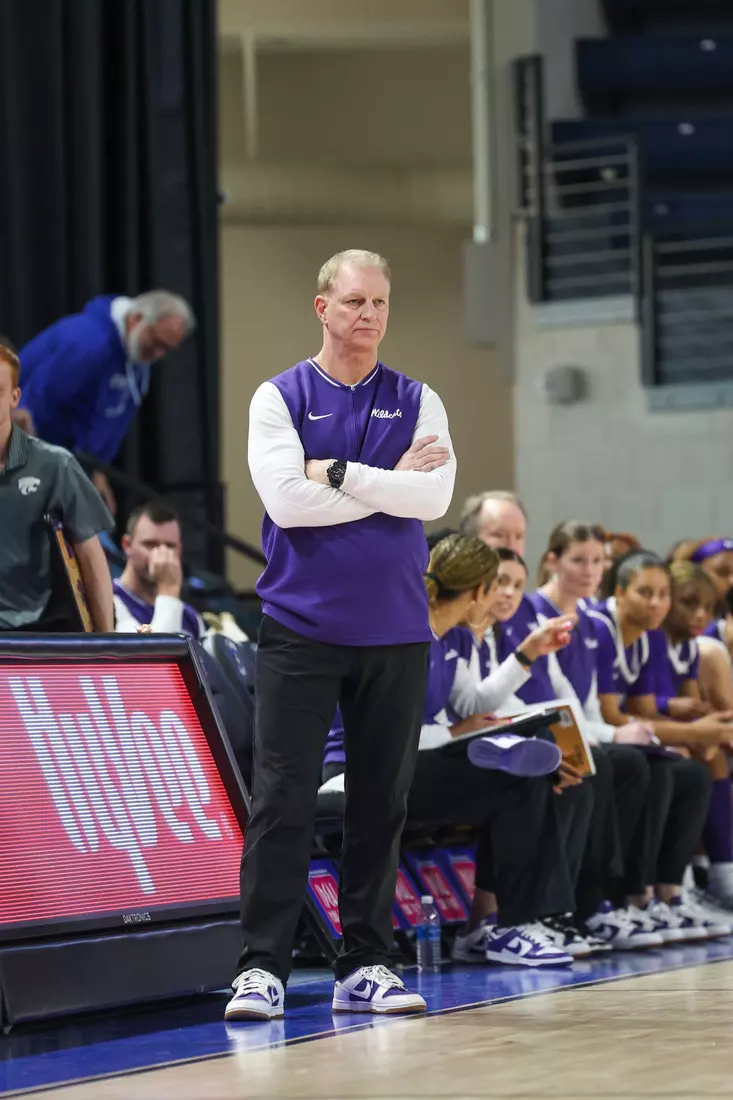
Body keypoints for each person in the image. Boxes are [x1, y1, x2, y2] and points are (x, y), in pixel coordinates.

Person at [226, 249, 456, 1022]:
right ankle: (261, 967)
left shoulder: (419, 399)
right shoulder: (277, 397)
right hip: (299, 627)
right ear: (321, 307)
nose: (369, 316)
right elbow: (286, 506)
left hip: (395, 631)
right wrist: (383, 479)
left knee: (379, 804)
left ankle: (365, 963)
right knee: (282, 799)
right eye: (355, 302)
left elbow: (433, 495)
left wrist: (339, 473)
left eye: (380, 303)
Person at [324, 533, 585, 969]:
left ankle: (493, 926)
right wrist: (454, 734)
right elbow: (383, 735)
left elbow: (471, 707)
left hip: (418, 758)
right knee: (515, 783)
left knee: (534, 773)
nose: (502, 597)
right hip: (359, 768)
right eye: (496, 586)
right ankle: (502, 925)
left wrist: (527, 653)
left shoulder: (457, 636)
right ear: (478, 591)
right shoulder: (398, 631)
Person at [533, 523, 728, 943]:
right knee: (623, 762)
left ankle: (660, 895)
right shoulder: (564, 617)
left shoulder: (599, 626)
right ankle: (603, 901)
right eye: (579, 560)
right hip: (554, 732)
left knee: (680, 769)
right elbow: (596, 710)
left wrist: (675, 731)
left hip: (586, 728)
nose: (590, 571)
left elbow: (600, 706)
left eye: (597, 561)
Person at [589, 551, 730, 926]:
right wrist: (696, 732)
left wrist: (698, 729)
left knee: (687, 770)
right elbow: (612, 715)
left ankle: (669, 892)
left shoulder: (649, 637)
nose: (656, 603)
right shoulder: (601, 627)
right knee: (648, 767)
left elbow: (647, 713)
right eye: (645, 592)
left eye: (662, 594)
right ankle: (627, 895)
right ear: (619, 592)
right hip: (593, 731)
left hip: (619, 733)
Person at [18, 290, 195, 514]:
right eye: (156, 341)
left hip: (73, 465)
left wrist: (96, 472)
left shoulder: (137, 360)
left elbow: (110, 421)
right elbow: (29, 409)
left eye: (167, 349)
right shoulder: (88, 343)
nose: (158, 354)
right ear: (136, 319)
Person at [0, 343, 114, 632]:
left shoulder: (55, 465)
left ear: (15, 398)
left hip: (37, 633)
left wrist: (107, 644)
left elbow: (91, 557)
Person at [113, 501, 205, 638]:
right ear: (127, 545)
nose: (161, 554)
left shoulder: (190, 617)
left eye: (170, 546)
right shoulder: (112, 602)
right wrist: (168, 589)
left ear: (179, 550)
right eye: (150, 545)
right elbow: (153, 655)